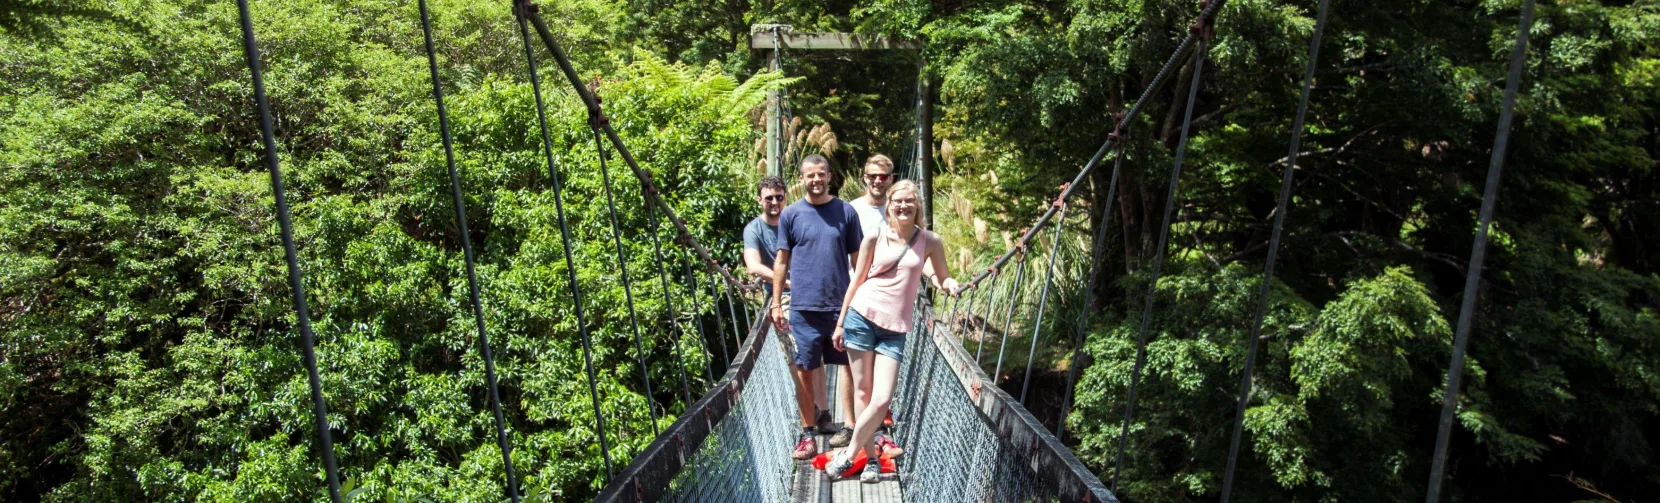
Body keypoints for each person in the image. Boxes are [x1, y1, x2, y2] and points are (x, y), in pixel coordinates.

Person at [823, 180, 957, 482]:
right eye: (898, 201)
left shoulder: (931, 240)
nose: (903, 206)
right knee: (863, 391)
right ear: (889, 204)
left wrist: (949, 284)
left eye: (909, 201)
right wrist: (841, 322)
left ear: (917, 205)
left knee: (882, 398)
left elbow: (940, 276)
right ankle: (870, 460)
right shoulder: (874, 236)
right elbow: (856, 281)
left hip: (895, 327)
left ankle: (848, 454)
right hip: (862, 315)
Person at [771, 155, 862, 461]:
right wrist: (776, 304)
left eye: (820, 174)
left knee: (849, 365)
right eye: (810, 175)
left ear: (829, 176)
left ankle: (849, 427)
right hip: (803, 308)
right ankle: (808, 434)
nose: (816, 180)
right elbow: (781, 260)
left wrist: (861, 300)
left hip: (839, 306)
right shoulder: (791, 215)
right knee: (804, 369)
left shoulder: (845, 212)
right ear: (802, 179)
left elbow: (858, 262)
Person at [743, 176, 835, 440]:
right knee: (799, 360)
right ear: (759, 199)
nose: (774, 202)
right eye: (769, 198)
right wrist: (786, 282)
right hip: (782, 297)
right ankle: (809, 422)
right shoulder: (754, 229)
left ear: (786, 197)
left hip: (814, 296)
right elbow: (753, 265)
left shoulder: (797, 220)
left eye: (779, 197)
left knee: (816, 355)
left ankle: (823, 412)